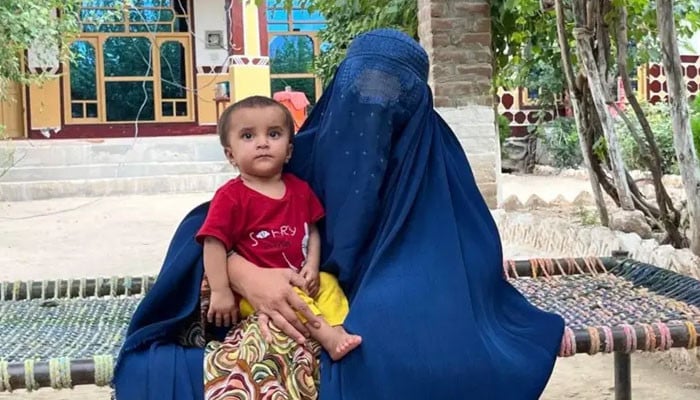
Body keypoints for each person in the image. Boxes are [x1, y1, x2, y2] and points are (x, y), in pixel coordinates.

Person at [114, 28, 565, 400]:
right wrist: (243, 272)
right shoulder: (307, 154)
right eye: (360, 92)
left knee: (402, 343)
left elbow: (465, 267)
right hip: (294, 306)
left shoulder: (436, 169)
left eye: (393, 97)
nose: (372, 112)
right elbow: (204, 226)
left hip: (374, 310)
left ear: (417, 108)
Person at [195, 95, 361, 360]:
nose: (262, 143)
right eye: (248, 136)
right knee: (294, 299)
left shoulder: (300, 189)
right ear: (230, 155)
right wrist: (220, 290)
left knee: (329, 284)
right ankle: (329, 340)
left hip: (299, 276)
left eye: (273, 134)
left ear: (289, 151)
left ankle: (338, 329)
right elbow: (213, 243)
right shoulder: (230, 197)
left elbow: (312, 230)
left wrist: (312, 266)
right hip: (258, 293)